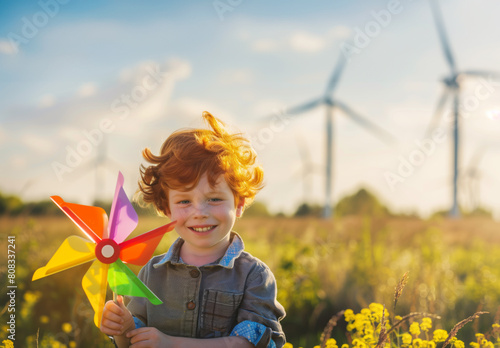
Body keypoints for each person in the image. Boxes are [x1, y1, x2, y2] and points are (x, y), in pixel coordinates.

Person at [100, 111, 286, 348]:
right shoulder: (151, 273)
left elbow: (248, 344)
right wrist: (123, 328)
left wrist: (170, 344)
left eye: (215, 199)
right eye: (184, 201)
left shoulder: (254, 275)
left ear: (238, 204)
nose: (200, 212)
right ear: (166, 209)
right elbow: (133, 343)